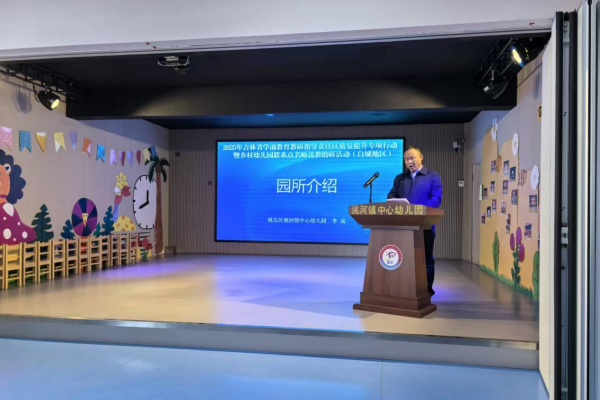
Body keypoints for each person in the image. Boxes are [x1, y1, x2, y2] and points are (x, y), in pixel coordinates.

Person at [387, 146, 442, 296]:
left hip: (425, 225)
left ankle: (426, 290)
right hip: (403, 226)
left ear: (421, 157)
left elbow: (436, 198)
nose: (409, 162)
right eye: (406, 159)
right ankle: (405, 288)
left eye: (412, 158)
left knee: (425, 258)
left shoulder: (432, 176)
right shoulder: (400, 178)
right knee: (403, 257)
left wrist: (419, 211)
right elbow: (391, 195)